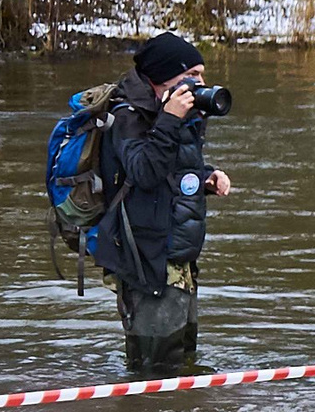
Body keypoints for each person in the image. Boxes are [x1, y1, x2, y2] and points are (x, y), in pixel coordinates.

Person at [93, 32, 232, 371]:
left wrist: (205, 178)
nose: (201, 83)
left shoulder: (175, 115)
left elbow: (169, 171)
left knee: (183, 361)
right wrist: (170, 119)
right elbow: (142, 171)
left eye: (202, 74)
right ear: (162, 79)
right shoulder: (126, 116)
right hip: (147, 262)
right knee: (156, 371)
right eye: (192, 75)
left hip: (178, 257)